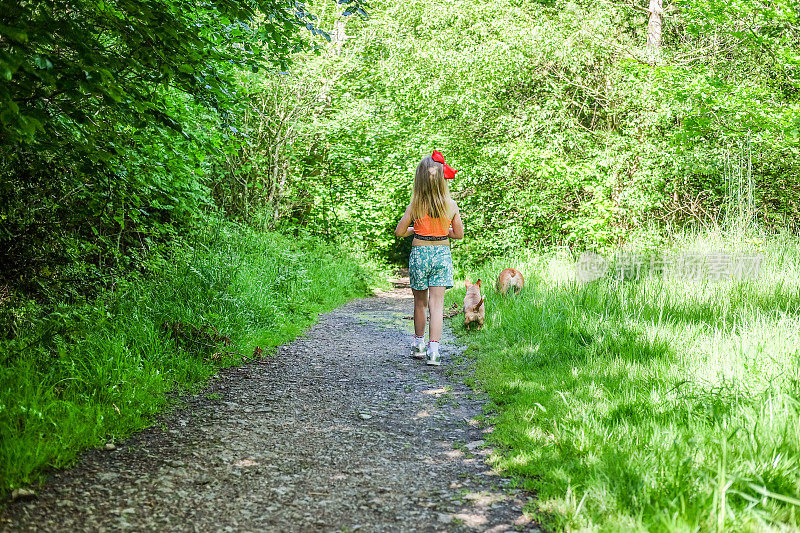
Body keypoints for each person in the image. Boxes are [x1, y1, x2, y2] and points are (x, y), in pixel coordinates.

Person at [394, 152, 464, 365]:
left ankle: (418, 345)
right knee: (437, 305)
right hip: (441, 255)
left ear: (420, 179)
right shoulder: (451, 205)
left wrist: (415, 229)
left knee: (420, 303)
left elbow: (399, 231)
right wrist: (443, 231)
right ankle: (434, 351)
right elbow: (458, 234)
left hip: (420, 255)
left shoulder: (414, 205)